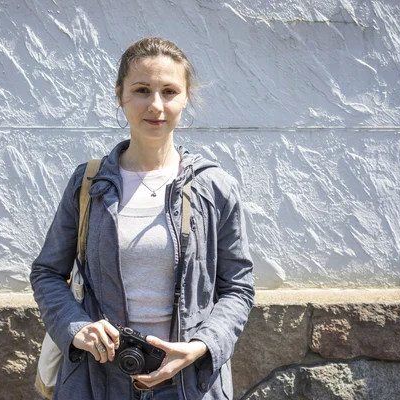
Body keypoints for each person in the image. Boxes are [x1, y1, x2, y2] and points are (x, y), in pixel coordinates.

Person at [30, 37, 254, 400]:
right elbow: (47, 272)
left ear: (186, 98)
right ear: (120, 96)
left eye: (169, 91)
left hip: (189, 385)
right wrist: (77, 328)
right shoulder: (88, 183)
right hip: (97, 382)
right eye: (141, 90)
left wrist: (201, 346)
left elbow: (238, 287)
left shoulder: (214, 187)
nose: (155, 105)